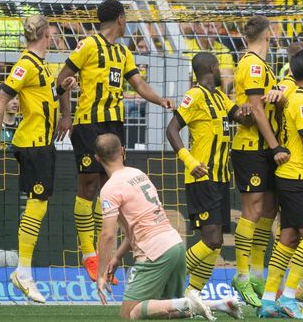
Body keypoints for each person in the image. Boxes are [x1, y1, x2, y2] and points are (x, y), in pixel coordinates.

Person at [55, 0, 173, 283]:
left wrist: (159, 100)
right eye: (127, 18)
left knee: (111, 188)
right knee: (88, 185)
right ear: (120, 19)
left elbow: (138, 84)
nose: (128, 22)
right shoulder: (88, 46)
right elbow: (62, 80)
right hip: (88, 123)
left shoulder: (123, 53)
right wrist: (66, 115)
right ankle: (89, 256)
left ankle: (103, 256)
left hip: (114, 124)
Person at [0, 15, 77, 304]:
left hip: (42, 144)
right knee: (37, 206)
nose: (55, 37)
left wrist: (61, 90)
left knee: (39, 205)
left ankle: (23, 270)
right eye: (53, 33)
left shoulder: (39, 65)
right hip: (33, 144)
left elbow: (40, 96)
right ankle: (23, 271)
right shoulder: (25, 64)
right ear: (45, 34)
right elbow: (0, 99)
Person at [93, 134, 241, 320]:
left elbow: (107, 235)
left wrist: (100, 274)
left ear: (97, 158)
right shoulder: (139, 174)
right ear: (123, 151)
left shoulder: (109, 188)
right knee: (167, 310)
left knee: (129, 314)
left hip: (154, 253)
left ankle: (189, 302)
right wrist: (117, 257)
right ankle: (220, 304)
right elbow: (138, 227)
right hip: (175, 245)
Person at [165, 52, 253, 296]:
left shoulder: (221, 98)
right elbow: (172, 130)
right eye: (220, 68)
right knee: (212, 240)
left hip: (221, 177)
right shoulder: (194, 96)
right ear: (212, 68)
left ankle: (191, 295)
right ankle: (166, 277)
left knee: (215, 244)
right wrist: (189, 160)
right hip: (202, 176)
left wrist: (253, 104)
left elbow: (244, 120)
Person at [257, 50, 303, 319]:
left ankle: (267, 301)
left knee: (288, 238)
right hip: (297, 175)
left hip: (285, 175)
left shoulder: (292, 96)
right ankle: (288, 297)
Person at [230, 15, 289, 307]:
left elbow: (260, 104)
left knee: (268, 210)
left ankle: (256, 272)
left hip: (263, 147)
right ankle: (241, 275)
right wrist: (274, 144)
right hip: (252, 147)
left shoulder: (262, 65)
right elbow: (255, 108)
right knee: (252, 211)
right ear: (269, 34)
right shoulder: (252, 64)